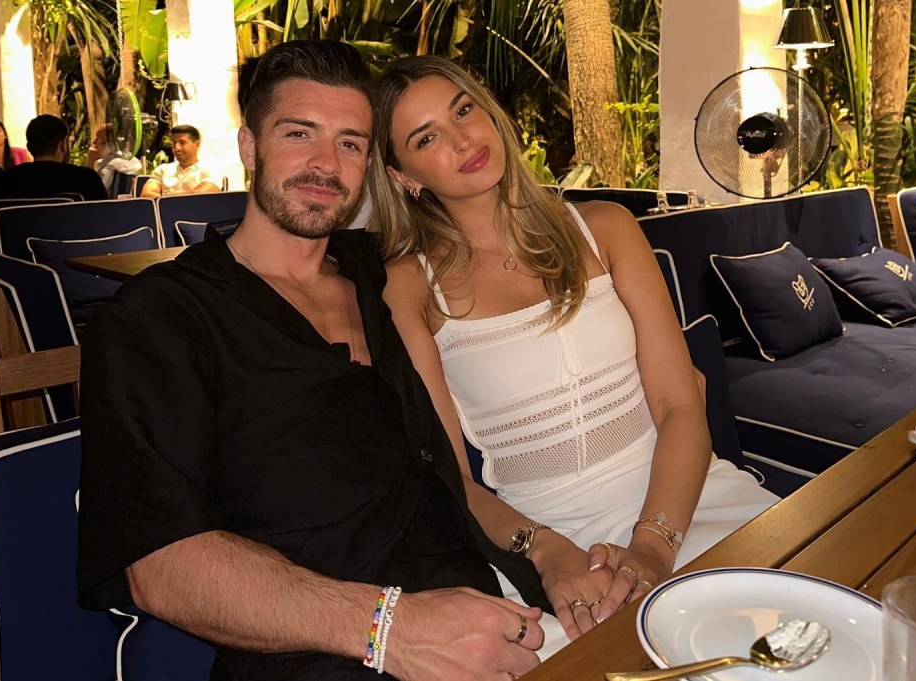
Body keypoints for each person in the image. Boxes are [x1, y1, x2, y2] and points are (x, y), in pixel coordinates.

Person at [77, 40, 567, 681]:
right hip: (333, 653)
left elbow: (485, 222)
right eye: (299, 133)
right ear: (250, 146)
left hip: (498, 609)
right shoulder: (160, 317)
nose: (324, 164)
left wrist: (553, 552)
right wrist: (394, 628)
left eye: (351, 143)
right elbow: (162, 567)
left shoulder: (379, 274)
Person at [371, 56, 780, 638]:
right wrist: (544, 549)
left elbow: (680, 405)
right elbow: (448, 478)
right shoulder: (409, 286)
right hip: (550, 543)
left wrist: (654, 547)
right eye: (428, 137)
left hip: (684, 501)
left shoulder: (606, 226)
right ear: (403, 176)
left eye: (464, 110)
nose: (463, 140)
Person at [0, 114, 108, 200]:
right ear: (63, 145)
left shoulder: (7, 181)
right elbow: (106, 220)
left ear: (29, 147)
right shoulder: (86, 179)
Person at [141, 124, 220, 197]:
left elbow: (202, 196)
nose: (176, 148)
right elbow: (147, 194)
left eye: (182, 143)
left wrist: (167, 197)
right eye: (174, 143)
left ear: (197, 144)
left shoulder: (209, 169)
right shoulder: (162, 170)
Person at [86, 123, 143, 196]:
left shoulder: (112, 165)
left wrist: (90, 160)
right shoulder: (133, 161)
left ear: (110, 143)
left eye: (98, 139)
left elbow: (90, 193)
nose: (94, 143)